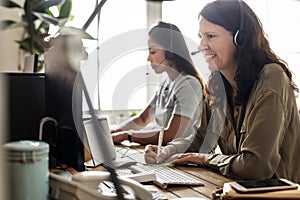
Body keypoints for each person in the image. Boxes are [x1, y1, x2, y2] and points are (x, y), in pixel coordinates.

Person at [145, 0, 300, 183]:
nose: (201, 45)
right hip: (238, 191)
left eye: (210, 36)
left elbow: (256, 166)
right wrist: (166, 150)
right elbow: (199, 139)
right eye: (201, 36)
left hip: (280, 194)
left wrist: (205, 159)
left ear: (240, 38)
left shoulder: (271, 77)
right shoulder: (217, 85)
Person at [111, 21, 206, 146]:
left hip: (185, 160)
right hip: (163, 154)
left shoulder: (188, 84)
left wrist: (127, 136)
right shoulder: (166, 84)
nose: (148, 59)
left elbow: (171, 135)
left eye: (153, 52)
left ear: (170, 51)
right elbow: (143, 119)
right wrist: (111, 133)